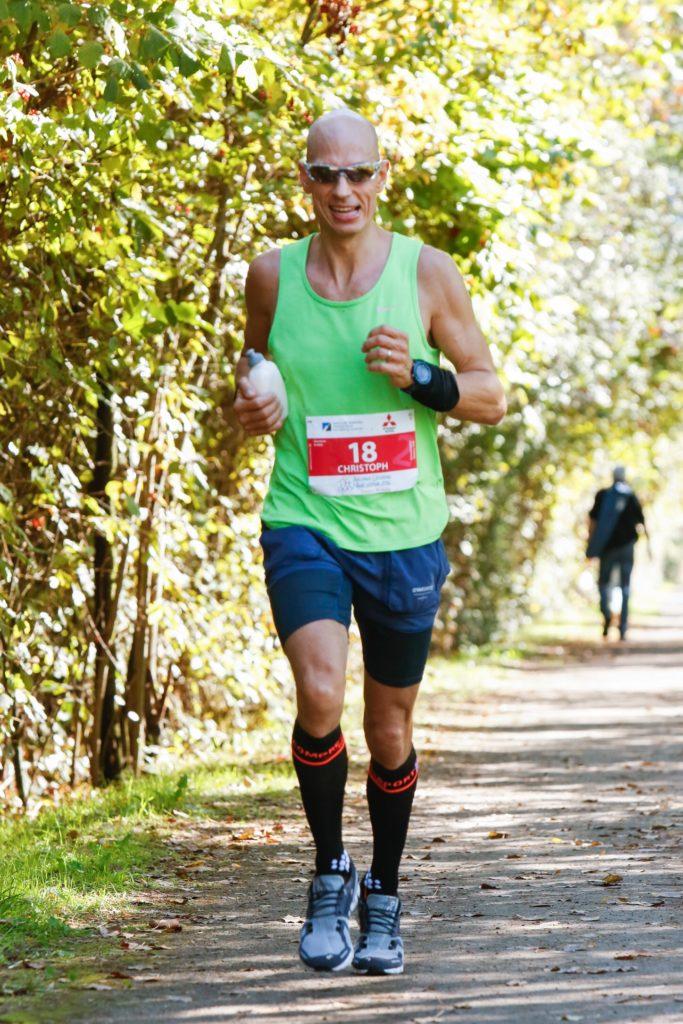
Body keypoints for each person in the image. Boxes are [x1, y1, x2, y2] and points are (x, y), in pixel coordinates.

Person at [232, 107, 506, 976]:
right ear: (304, 179)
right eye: (325, 174)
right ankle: (327, 871)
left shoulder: (426, 273)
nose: (342, 190)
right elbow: (250, 375)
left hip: (402, 532)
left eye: (358, 174)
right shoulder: (271, 275)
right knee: (320, 691)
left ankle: (382, 894)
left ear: (382, 176)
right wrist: (251, 405)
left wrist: (422, 377)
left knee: (388, 729)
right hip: (303, 517)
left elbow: (490, 394)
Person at [587, 465, 648, 641]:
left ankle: (607, 615)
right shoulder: (631, 496)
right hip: (627, 548)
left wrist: (591, 546)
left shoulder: (602, 495)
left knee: (604, 584)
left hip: (607, 548)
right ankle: (622, 627)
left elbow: (592, 521)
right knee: (625, 587)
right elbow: (642, 523)